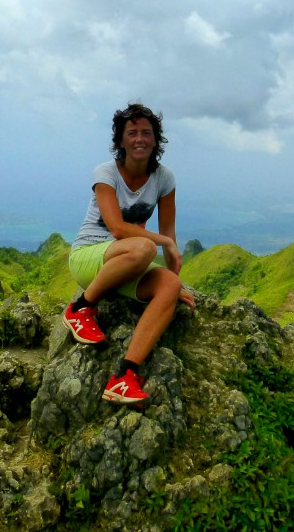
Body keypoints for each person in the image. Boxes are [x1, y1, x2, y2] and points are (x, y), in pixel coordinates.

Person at [64, 102, 195, 406]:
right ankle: (81, 309)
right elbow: (118, 228)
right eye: (132, 132)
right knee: (146, 247)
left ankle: (125, 376)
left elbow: (169, 235)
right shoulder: (105, 173)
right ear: (121, 140)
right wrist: (164, 243)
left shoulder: (164, 179)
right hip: (89, 256)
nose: (140, 139)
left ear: (155, 139)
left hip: (128, 262)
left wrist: (176, 280)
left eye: (146, 133)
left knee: (169, 286)